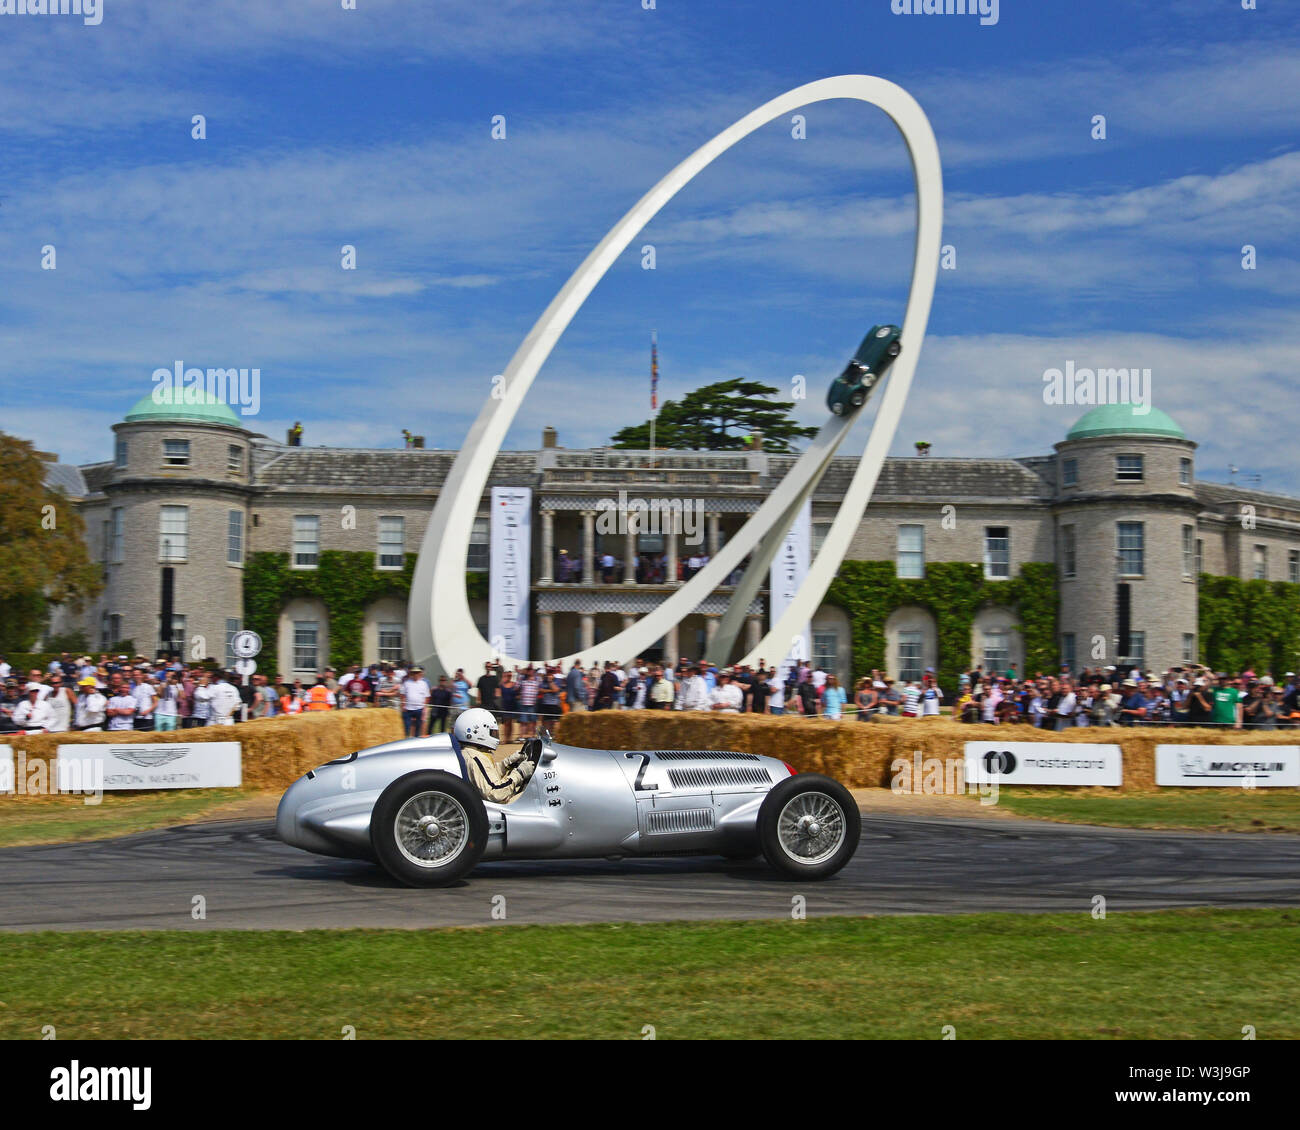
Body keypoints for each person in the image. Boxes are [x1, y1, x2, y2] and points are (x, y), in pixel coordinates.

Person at [452, 708, 535, 804]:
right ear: (476, 732)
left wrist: (507, 763)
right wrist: (519, 773)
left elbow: (488, 775)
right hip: (497, 808)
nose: (495, 736)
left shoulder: (470, 752)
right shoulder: (475, 758)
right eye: (492, 732)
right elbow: (494, 792)